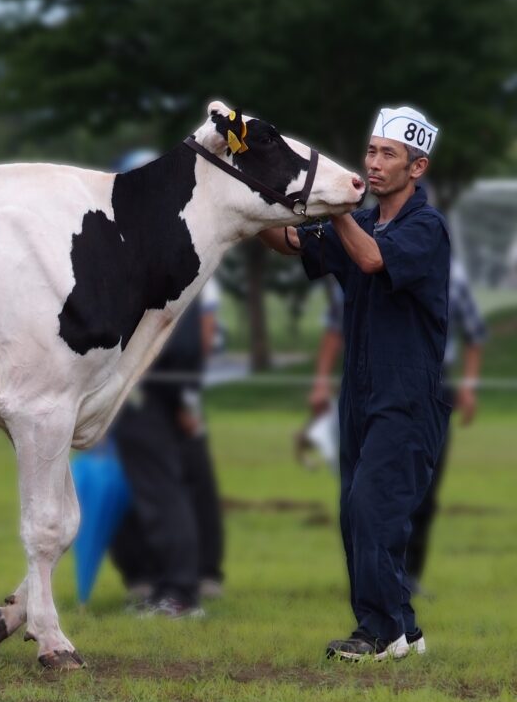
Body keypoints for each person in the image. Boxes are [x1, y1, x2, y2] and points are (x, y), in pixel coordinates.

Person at [258, 106, 451, 661]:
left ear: (418, 168)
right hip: (360, 394)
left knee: (374, 508)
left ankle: (380, 632)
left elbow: (369, 261)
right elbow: (289, 241)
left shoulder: (424, 228)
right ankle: (404, 629)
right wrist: (251, 199)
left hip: (407, 396)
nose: (373, 163)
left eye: (387, 154)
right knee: (355, 514)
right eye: (370, 151)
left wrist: (337, 206)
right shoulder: (362, 221)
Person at [309, 257, 486, 598]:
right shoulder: (362, 258)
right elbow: (335, 327)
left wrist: (468, 386)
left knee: (423, 485)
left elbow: (474, 332)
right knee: (365, 486)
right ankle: (373, 577)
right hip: (373, 375)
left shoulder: (452, 271)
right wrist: (320, 383)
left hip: (431, 378)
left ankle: (407, 576)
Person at [109, 278, 225, 618]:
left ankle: (179, 592)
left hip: (149, 388)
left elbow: (191, 340)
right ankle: (170, 583)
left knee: (162, 491)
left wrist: (186, 398)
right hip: (157, 387)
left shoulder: (162, 264)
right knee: (161, 489)